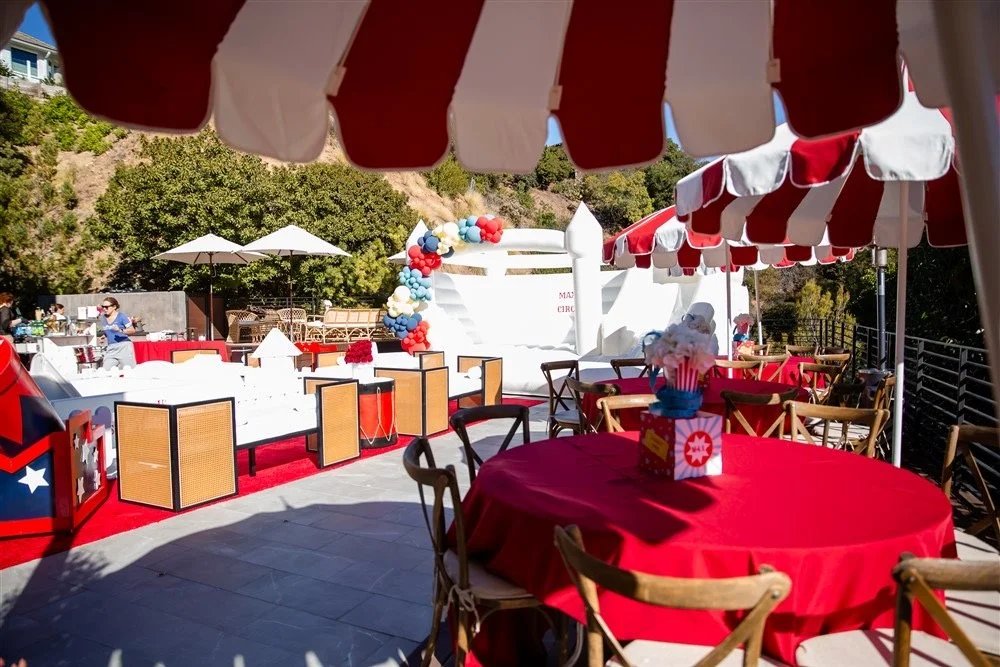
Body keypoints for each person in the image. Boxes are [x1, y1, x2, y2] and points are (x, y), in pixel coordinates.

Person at [98, 297, 136, 369]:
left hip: (124, 347)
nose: (104, 309)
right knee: (106, 370)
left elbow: (132, 330)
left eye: (106, 307)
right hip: (111, 348)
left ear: (114, 307)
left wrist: (120, 330)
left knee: (128, 371)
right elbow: (108, 330)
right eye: (103, 307)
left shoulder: (121, 316)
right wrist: (103, 336)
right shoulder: (103, 318)